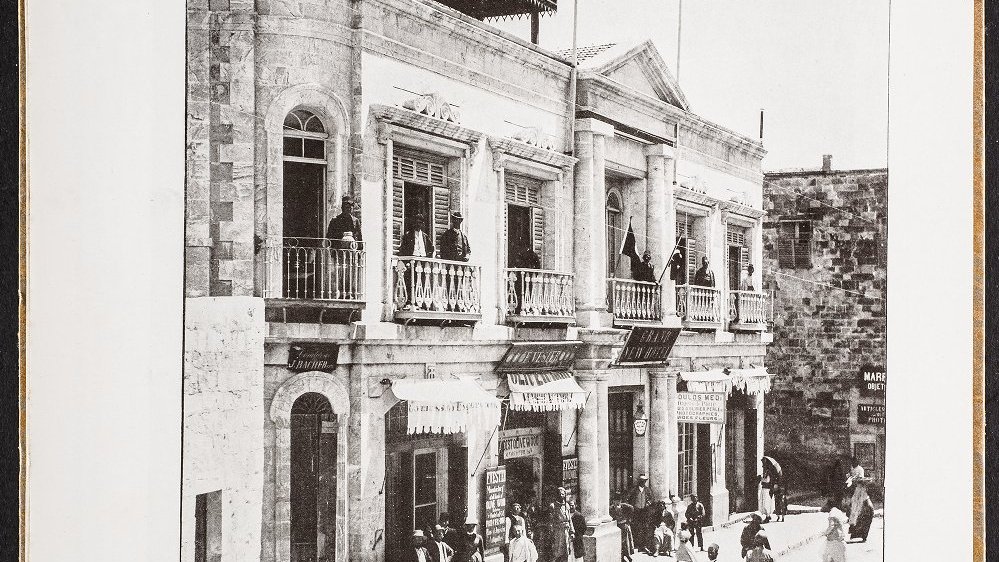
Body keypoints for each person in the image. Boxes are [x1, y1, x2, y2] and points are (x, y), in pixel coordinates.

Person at [548, 487, 574, 562]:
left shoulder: (567, 506)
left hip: (566, 532)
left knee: (566, 552)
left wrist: (572, 532)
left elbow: (570, 520)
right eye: (559, 494)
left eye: (563, 494)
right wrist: (552, 532)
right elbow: (551, 522)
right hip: (557, 532)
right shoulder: (553, 506)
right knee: (557, 552)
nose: (561, 496)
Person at [845, 457, 869, 527]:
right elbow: (851, 476)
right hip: (853, 487)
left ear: (856, 462)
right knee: (851, 504)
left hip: (858, 488)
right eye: (852, 463)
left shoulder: (860, 469)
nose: (852, 464)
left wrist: (854, 478)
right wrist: (849, 476)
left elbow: (861, 478)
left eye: (853, 462)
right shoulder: (853, 469)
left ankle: (856, 519)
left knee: (857, 504)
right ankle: (851, 518)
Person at [611, 498, 635, 562]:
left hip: (624, 526)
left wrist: (628, 519)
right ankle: (623, 558)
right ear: (613, 501)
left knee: (625, 543)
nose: (617, 502)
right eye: (616, 500)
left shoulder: (624, 506)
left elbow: (632, 508)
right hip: (616, 527)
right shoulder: (611, 508)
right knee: (620, 543)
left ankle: (627, 556)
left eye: (619, 501)